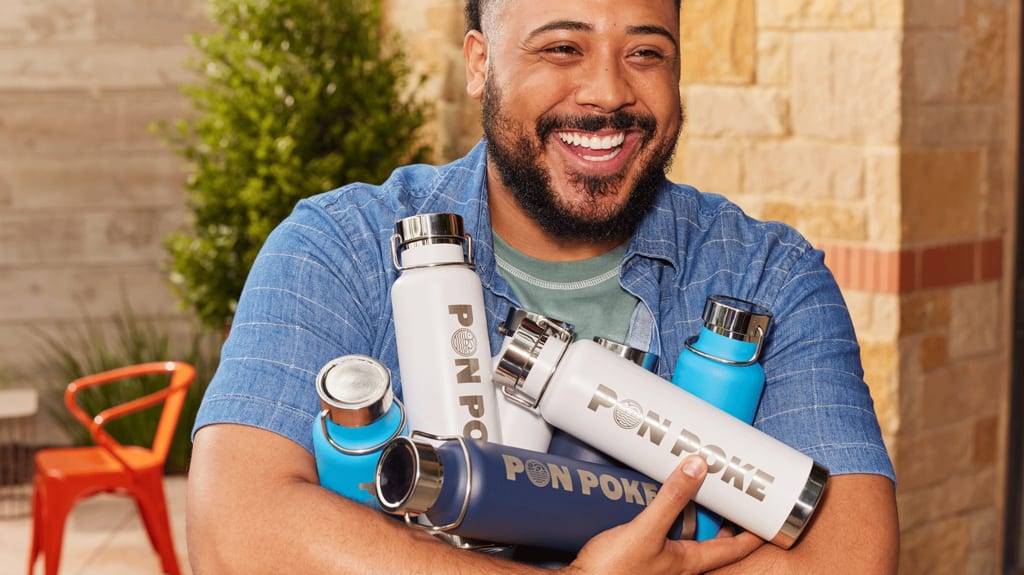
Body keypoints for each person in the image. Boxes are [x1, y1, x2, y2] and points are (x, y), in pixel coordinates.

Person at [185, 0, 900, 573]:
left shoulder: (768, 274)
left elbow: (851, 552)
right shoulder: (344, 246)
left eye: (646, 52)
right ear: (480, 62)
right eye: (563, 47)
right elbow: (236, 533)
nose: (609, 92)